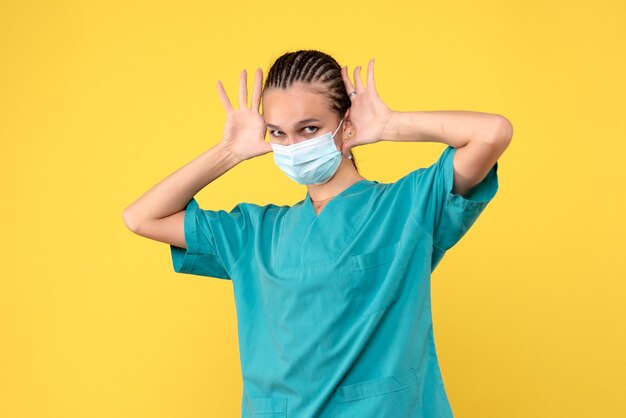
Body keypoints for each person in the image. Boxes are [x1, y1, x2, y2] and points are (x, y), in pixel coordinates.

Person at [122, 49, 513, 418]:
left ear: (346, 125)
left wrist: (390, 124)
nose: (293, 147)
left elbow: (492, 133)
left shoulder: (407, 206)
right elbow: (142, 218)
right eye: (278, 133)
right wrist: (229, 152)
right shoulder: (255, 235)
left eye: (309, 129)